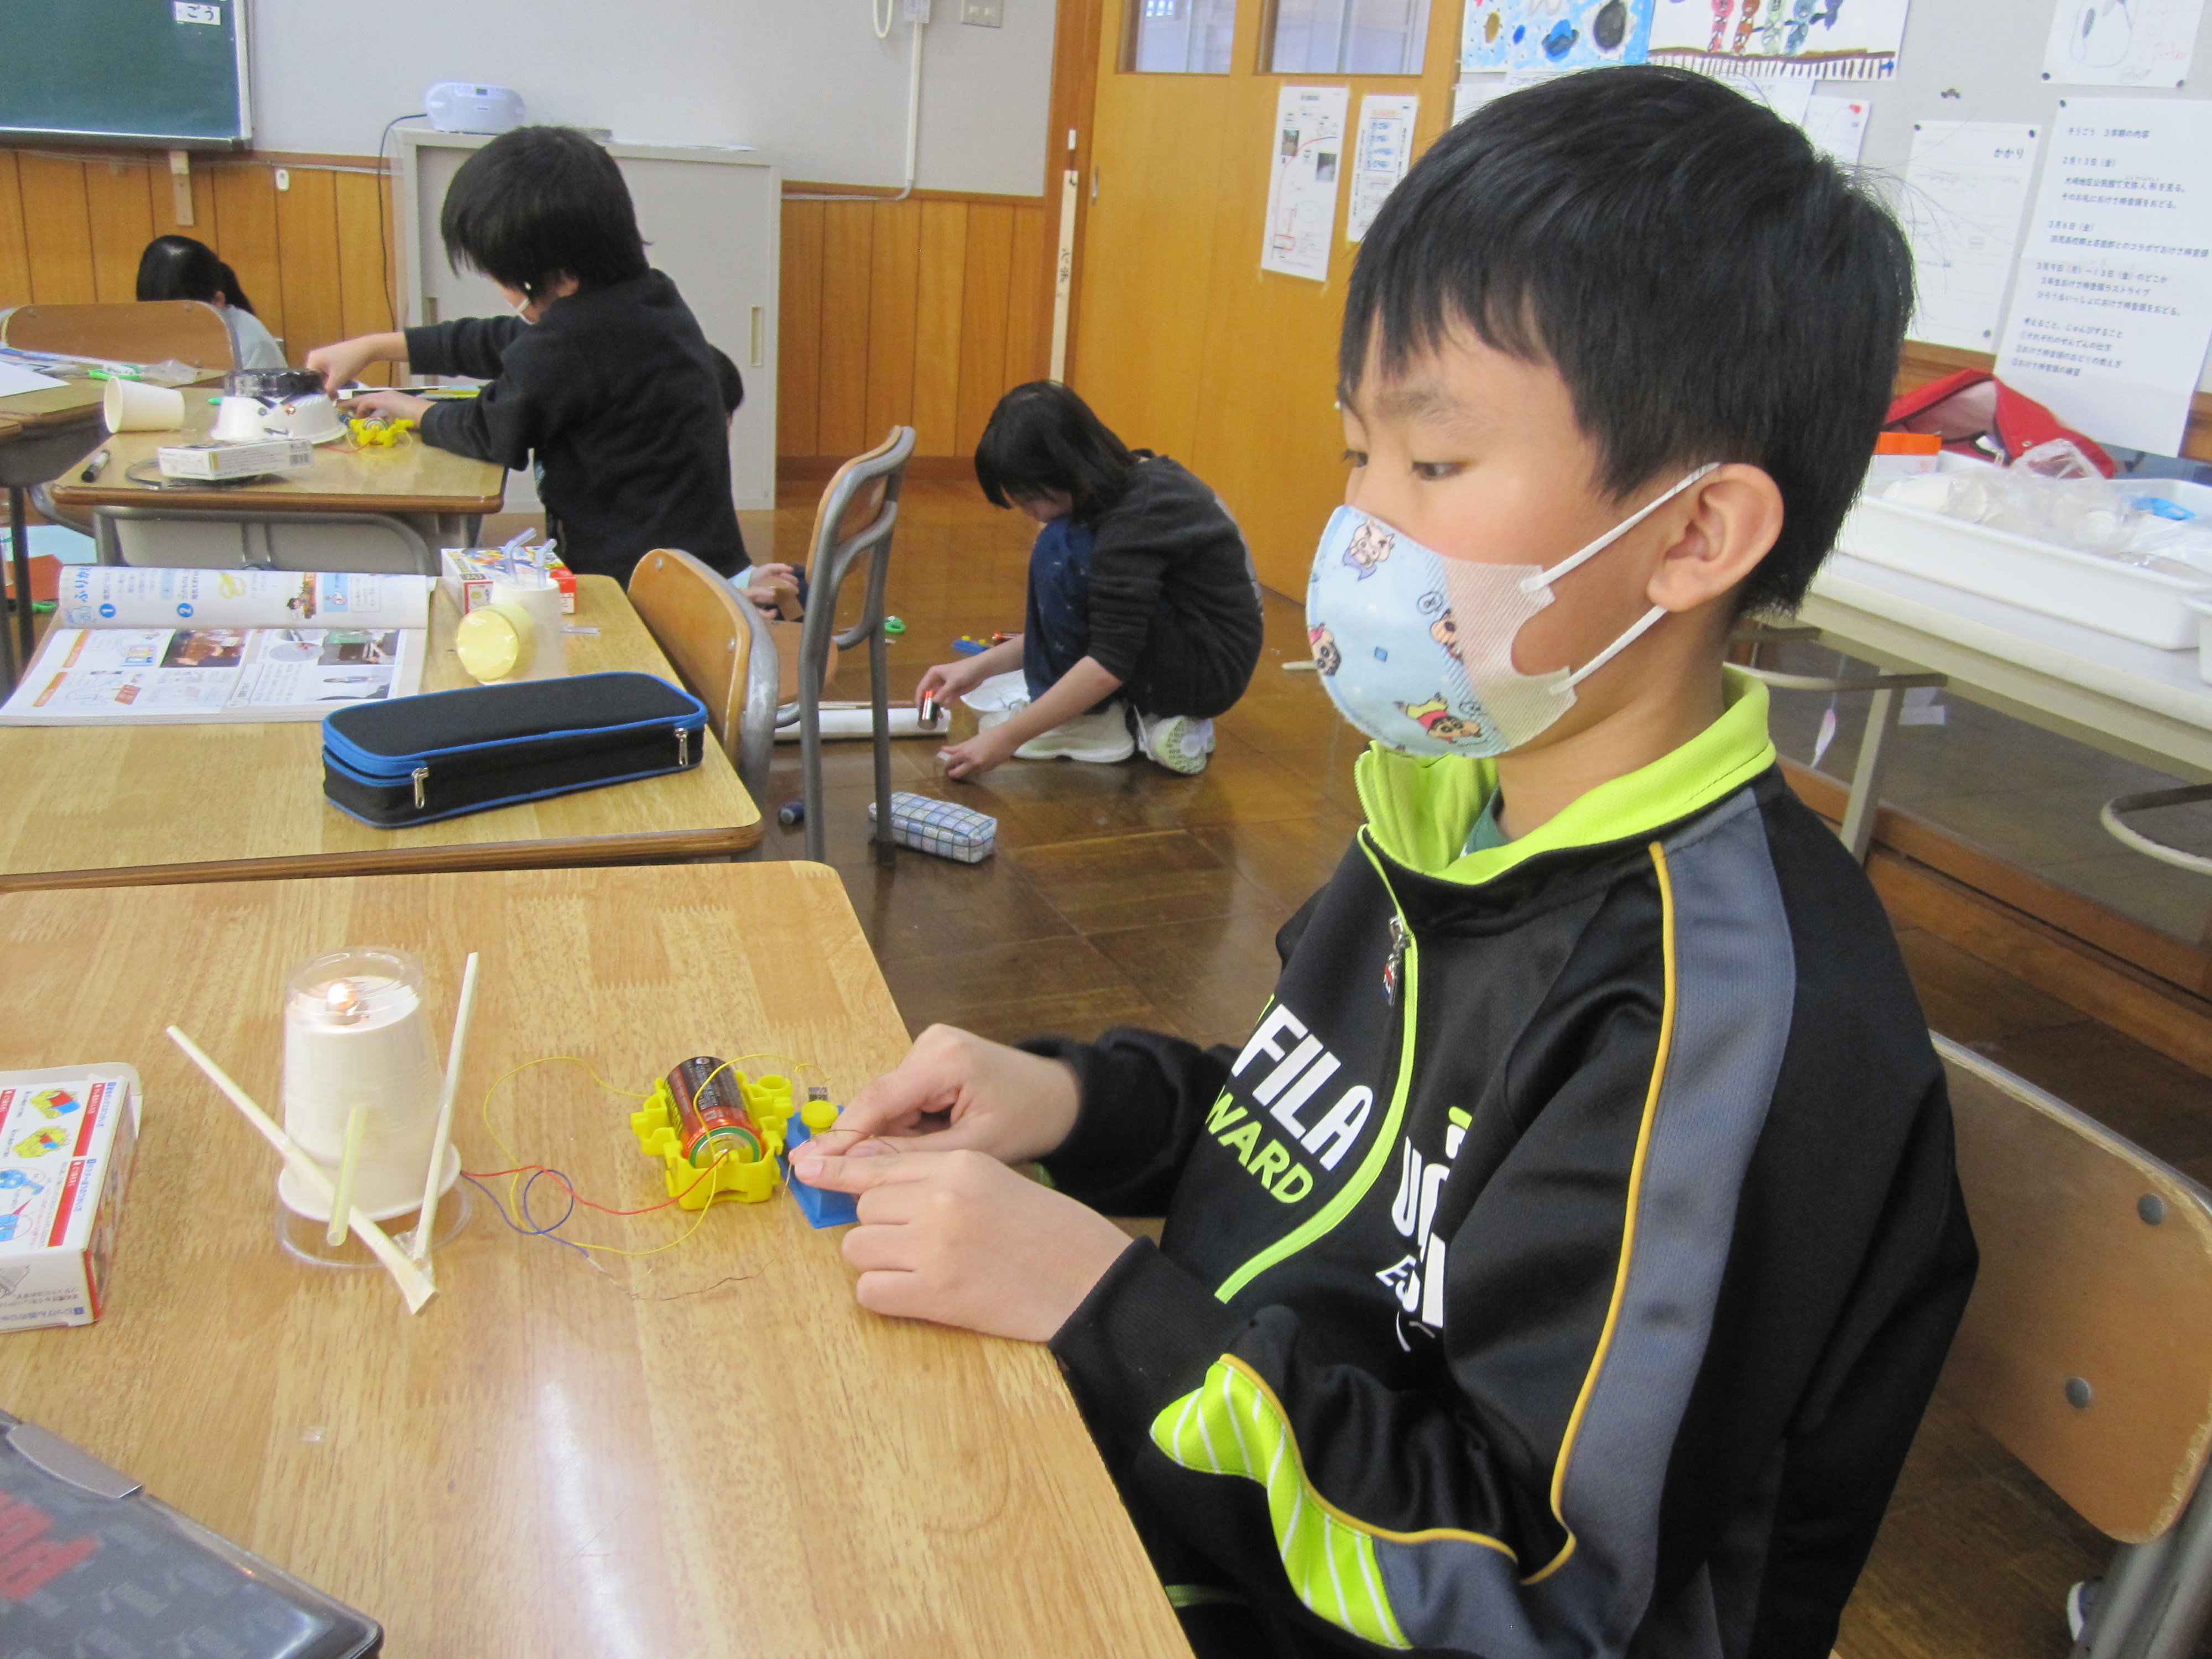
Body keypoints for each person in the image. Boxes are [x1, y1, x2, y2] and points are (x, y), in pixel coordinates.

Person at [792, 66, 1976, 1659]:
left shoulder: (1728, 1021)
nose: (1359, 528)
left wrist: (1102, 1305)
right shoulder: (1451, 807)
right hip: (1243, 1503)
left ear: (1695, 538)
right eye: (1359, 453)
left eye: (1432, 466)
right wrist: (1075, 1103)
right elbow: (1313, 1135)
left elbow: (1535, 1591)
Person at [305, 126, 749, 584]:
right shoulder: (645, 296)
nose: (503, 291)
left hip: (642, 584)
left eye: (504, 279)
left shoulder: (574, 341)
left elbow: (491, 430)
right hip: (694, 562)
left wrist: (411, 409)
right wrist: (375, 347)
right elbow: (510, 342)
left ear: (563, 277)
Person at [919, 382, 1264, 778]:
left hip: (1206, 672)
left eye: (1031, 500)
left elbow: (1110, 659)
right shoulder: (1134, 481)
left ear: (1063, 470)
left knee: (1059, 546)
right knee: (1067, 543)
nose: (1032, 514)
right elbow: (1096, 626)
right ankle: (1139, 719)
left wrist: (1008, 737)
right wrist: (980, 667)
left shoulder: (1132, 520)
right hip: (1205, 652)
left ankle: (1086, 724)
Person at [134, 234, 285, 369]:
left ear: (217, 301)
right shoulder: (144, 333)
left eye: (179, 315)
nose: (168, 325)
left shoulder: (251, 343)